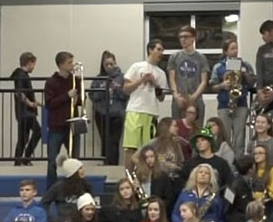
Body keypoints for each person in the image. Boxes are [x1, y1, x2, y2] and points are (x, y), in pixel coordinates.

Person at [122, 40, 169, 171]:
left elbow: (161, 97)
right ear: (150, 50)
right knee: (131, 146)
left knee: (148, 148)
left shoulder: (161, 73)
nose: (161, 53)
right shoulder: (137, 66)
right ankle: (129, 178)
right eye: (158, 49)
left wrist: (155, 83)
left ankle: (145, 177)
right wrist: (142, 80)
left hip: (151, 112)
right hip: (135, 110)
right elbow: (125, 88)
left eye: (162, 50)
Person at [211, 38, 256, 156]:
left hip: (240, 104)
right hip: (224, 105)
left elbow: (252, 83)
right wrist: (222, 85)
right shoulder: (218, 67)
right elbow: (212, 86)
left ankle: (239, 161)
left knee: (239, 136)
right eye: (232, 48)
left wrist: (244, 74)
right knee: (224, 136)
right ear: (225, 51)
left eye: (236, 48)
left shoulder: (245, 64)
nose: (235, 51)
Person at [45, 51, 82, 189]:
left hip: (72, 126)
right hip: (57, 126)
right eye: (69, 62)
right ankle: (51, 190)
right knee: (52, 161)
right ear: (61, 65)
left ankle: (75, 188)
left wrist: (78, 99)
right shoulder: (51, 82)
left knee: (75, 160)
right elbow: (50, 104)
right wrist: (67, 96)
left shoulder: (75, 81)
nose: (72, 65)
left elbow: (79, 102)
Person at [90, 51, 128, 166]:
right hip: (101, 114)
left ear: (115, 63)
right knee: (105, 141)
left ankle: (114, 165)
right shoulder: (98, 79)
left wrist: (117, 88)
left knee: (114, 141)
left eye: (111, 64)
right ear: (103, 65)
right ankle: (105, 163)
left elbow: (126, 95)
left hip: (117, 114)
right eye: (107, 65)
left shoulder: (122, 77)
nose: (109, 67)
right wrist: (103, 89)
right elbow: (92, 96)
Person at [169, 26, 210, 119]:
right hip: (179, 98)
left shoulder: (201, 58)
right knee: (177, 129)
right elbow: (172, 78)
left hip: (196, 98)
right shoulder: (174, 57)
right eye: (181, 37)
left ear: (193, 38)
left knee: (195, 131)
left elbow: (204, 81)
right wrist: (176, 96)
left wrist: (194, 97)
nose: (183, 39)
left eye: (186, 36)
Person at [12, 51, 41, 167]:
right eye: (34, 64)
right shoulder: (21, 75)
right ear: (29, 63)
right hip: (26, 113)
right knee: (38, 131)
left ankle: (18, 161)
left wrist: (34, 102)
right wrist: (30, 104)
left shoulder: (20, 75)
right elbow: (19, 93)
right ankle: (25, 158)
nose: (34, 67)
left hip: (24, 112)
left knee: (23, 137)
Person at [42, 156, 93, 221]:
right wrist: (52, 219)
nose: (84, 170)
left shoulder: (85, 186)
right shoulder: (59, 186)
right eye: (80, 168)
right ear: (73, 172)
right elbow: (44, 202)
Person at [252, 145, 273, 213]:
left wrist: (258, 196)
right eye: (255, 154)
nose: (257, 155)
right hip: (254, 207)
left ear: (266, 155)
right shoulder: (252, 171)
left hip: (269, 207)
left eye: (260, 153)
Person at [225, 155, 256, 222]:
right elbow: (227, 206)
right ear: (250, 170)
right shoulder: (237, 185)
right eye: (254, 165)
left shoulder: (232, 182)